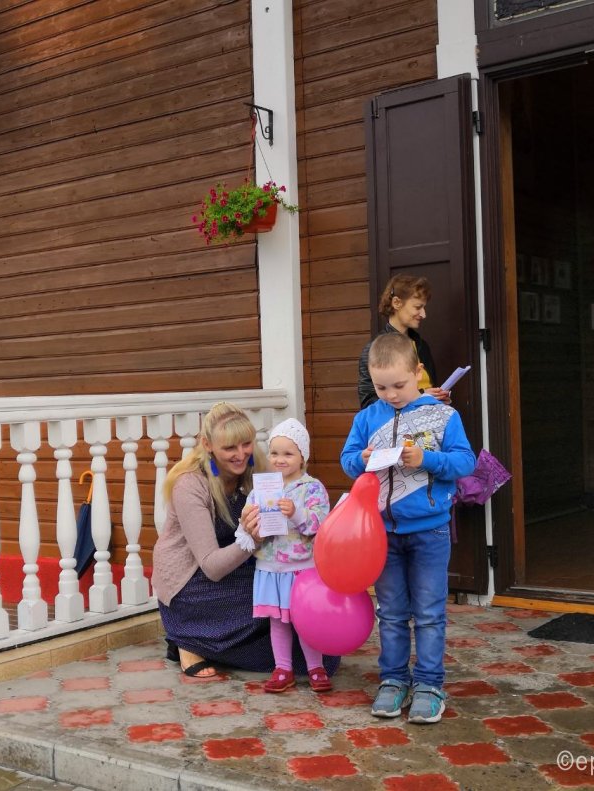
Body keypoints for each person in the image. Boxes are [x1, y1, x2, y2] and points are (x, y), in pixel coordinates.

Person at [341, 332, 475, 724]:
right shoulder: (367, 418)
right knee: (392, 612)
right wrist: (362, 458)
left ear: (418, 372)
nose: (391, 395)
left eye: (398, 385)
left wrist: (427, 459)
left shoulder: (444, 416)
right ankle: (394, 680)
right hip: (382, 533)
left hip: (431, 531)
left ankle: (430, 684)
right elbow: (348, 460)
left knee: (429, 612)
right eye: (381, 387)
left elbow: (465, 463)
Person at [152, 402, 339, 679]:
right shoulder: (190, 485)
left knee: (315, 637)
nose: (241, 454)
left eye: (246, 444)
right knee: (270, 606)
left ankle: (212, 643)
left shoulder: (261, 473)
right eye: (230, 447)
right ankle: (189, 640)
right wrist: (251, 539)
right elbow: (212, 567)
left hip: (239, 568)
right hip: (193, 584)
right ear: (208, 445)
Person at [239, 418, 333, 694]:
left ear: (303, 457)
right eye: (274, 453)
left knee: (305, 620)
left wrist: (295, 513)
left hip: (302, 568)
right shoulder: (262, 489)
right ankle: (283, 668)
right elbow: (246, 529)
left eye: (288, 454)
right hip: (271, 567)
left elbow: (320, 525)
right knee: (278, 621)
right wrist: (248, 522)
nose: (280, 459)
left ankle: (316, 667)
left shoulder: (312, 488)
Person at [357, 274, 450, 409]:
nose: (423, 314)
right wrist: (422, 396)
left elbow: (429, 388)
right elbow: (368, 403)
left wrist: (437, 399)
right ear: (396, 303)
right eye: (417, 307)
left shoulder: (421, 345)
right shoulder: (373, 349)